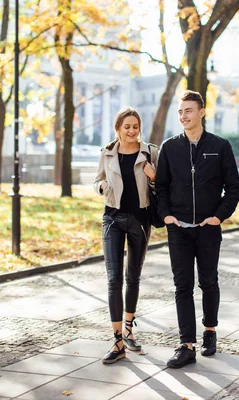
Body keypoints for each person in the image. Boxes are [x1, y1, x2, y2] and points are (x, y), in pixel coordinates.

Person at [155, 90, 239, 369]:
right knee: (182, 286)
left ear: (202, 112)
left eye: (188, 111)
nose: (183, 116)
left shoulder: (220, 146)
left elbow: (233, 189)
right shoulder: (170, 147)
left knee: (209, 281)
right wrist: (166, 216)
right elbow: (162, 188)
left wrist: (218, 216)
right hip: (178, 228)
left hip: (207, 228)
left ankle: (210, 330)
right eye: (180, 112)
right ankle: (186, 345)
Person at [94, 107, 158, 364]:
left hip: (140, 220)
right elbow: (97, 179)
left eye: (135, 126)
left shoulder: (150, 151)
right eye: (127, 127)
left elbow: (163, 184)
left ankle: (129, 329)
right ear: (118, 129)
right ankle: (117, 340)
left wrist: (154, 178)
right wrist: (100, 186)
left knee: (133, 276)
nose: (132, 131)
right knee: (113, 280)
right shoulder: (107, 152)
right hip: (112, 218)